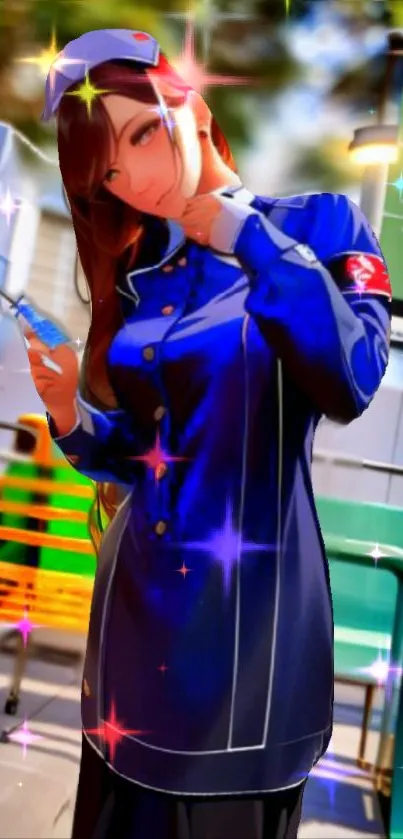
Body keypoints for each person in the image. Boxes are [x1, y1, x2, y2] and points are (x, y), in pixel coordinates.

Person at [25, 28, 391, 839]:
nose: (135, 179)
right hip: (126, 640)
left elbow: (353, 374)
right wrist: (70, 414)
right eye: (110, 171)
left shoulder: (319, 225)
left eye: (141, 134)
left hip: (243, 659)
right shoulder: (147, 278)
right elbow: (140, 454)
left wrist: (246, 236)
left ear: (190, 102)